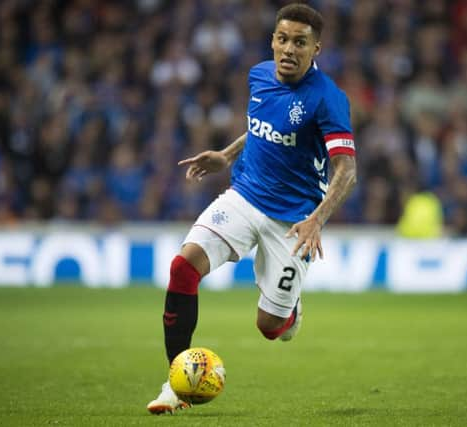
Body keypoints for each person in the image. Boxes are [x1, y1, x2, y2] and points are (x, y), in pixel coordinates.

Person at [147, 3, 357, 414]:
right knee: (183, 268)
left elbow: (346, 169)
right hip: (244, 197)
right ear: (272, 40)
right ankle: (175, 383)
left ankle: (290, 313)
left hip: (293, 222)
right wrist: (226, 156)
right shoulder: (259, 75)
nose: (289, 49)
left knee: (269, 327)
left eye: (300, 42)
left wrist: (317, 219)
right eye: (282, 39)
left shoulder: (328, 99)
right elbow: (263, 126)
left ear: (317, 48)